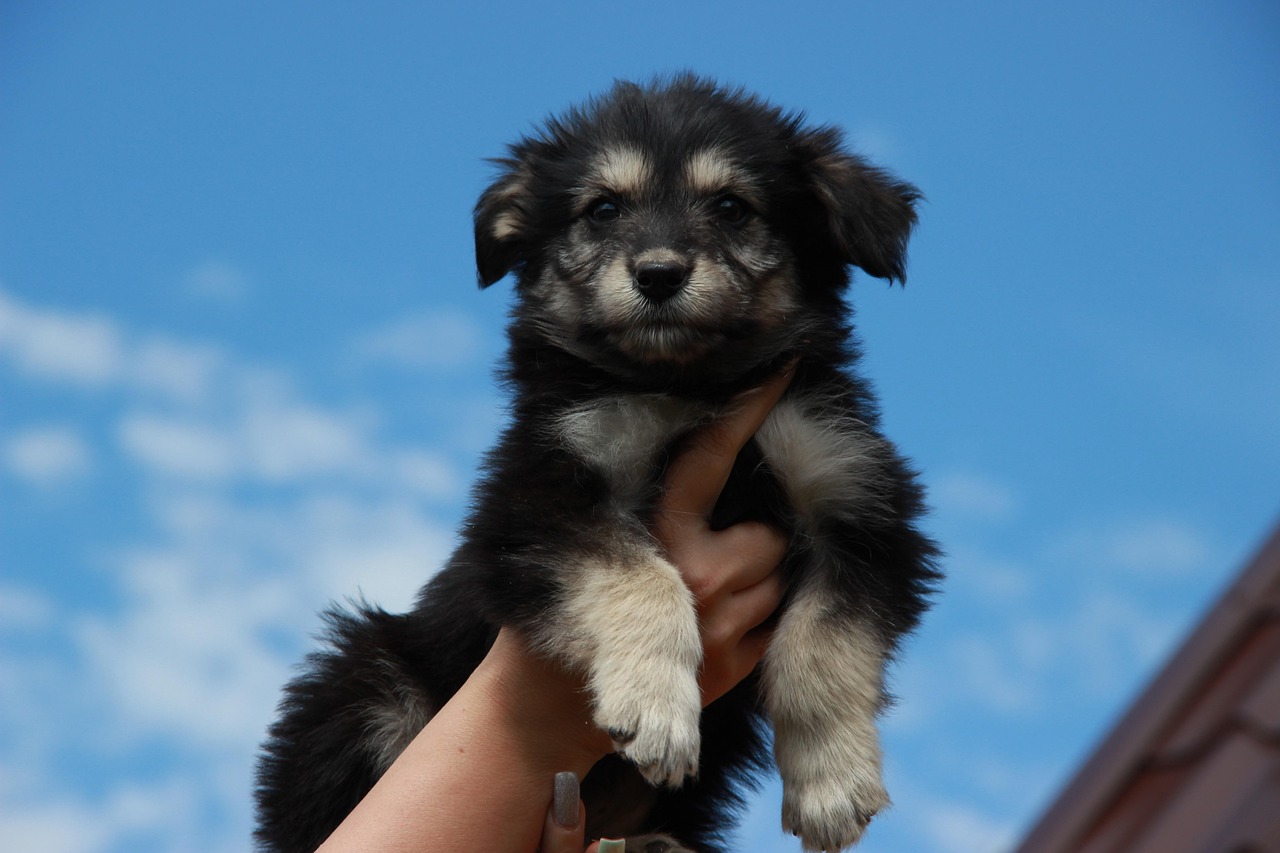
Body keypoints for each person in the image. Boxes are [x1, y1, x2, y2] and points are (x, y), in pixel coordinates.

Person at [317, 367, 794, 852]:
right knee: (357, 689)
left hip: (645, 800)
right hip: (440, 708)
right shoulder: (573, 416)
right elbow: (525, 543)